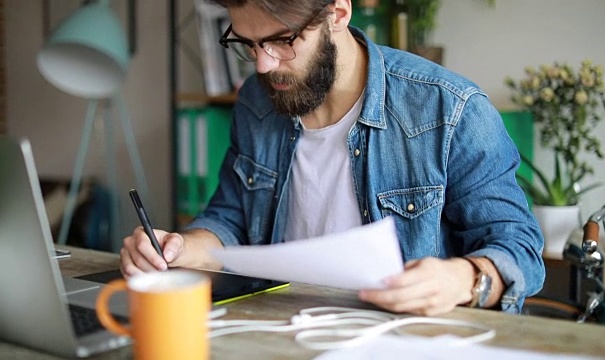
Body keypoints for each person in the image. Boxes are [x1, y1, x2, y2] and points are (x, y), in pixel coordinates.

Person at [120, 0, 545, 316]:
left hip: (401, 341)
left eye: (282, 41)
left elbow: (519, 251)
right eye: (248, 44)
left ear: (338, 13)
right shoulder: (257, 101)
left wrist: (462, 280)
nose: (264, 66)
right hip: (279, 332)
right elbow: (230, 219)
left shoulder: (448, 110)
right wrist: (178, 249)